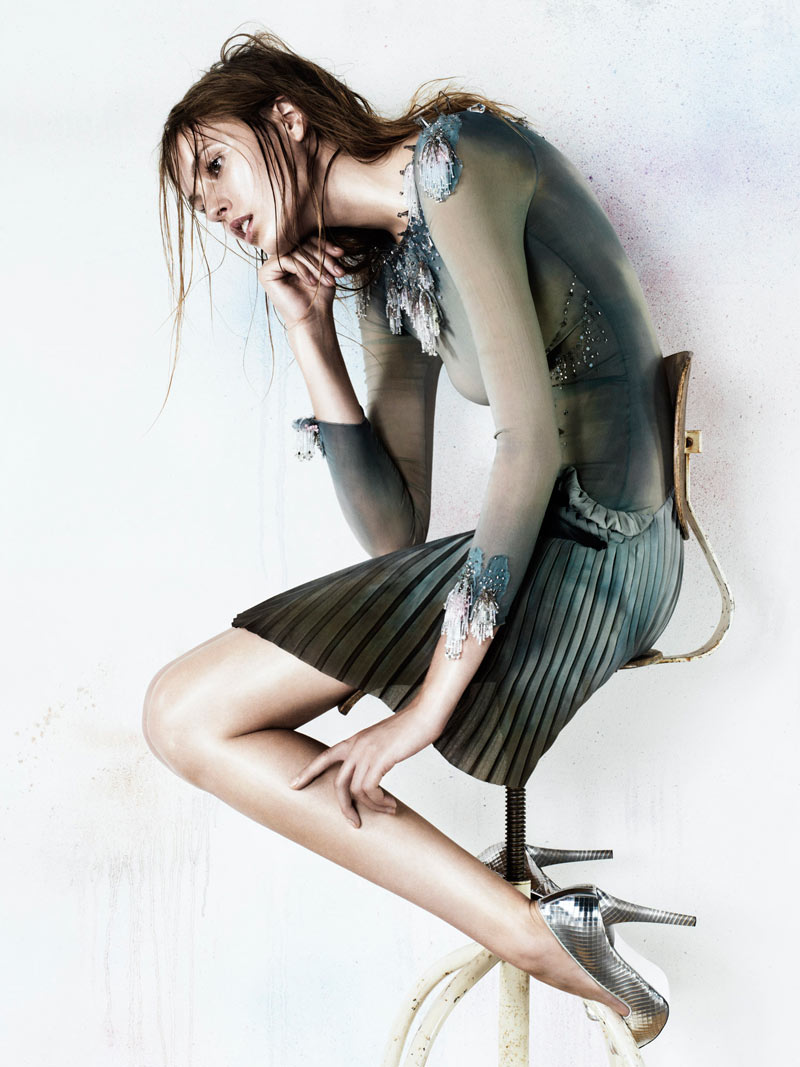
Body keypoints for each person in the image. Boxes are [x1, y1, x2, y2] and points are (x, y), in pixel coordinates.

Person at [144, 30, 694, 1048]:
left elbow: (530, 443)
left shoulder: (454, 160)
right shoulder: (385, 259)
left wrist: (423, 710)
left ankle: (540, 940)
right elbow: (391, 523)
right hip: (542, 549)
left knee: (188, 710)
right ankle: (545, 931)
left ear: (287, 119)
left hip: (603, 549)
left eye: (214, 164)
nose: (211, 205)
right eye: (195, 196)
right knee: (184, 713)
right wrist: (310, 334)